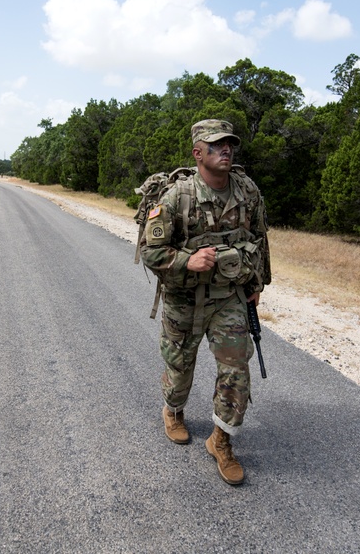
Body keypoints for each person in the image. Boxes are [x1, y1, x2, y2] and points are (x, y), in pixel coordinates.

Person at [139, 118, 271, 486]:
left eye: (229, 144)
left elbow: (260, 238)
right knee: (180, 369)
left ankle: (222, 441)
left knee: (236, 370)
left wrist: (257, 282)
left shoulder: (247, 191)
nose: (226, 150)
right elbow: (152, 253)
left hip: (228, 298)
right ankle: (173, 410)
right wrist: (187, 261)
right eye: (216, 145)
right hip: (183, 299)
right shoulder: (176, 198)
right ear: (198, 153)